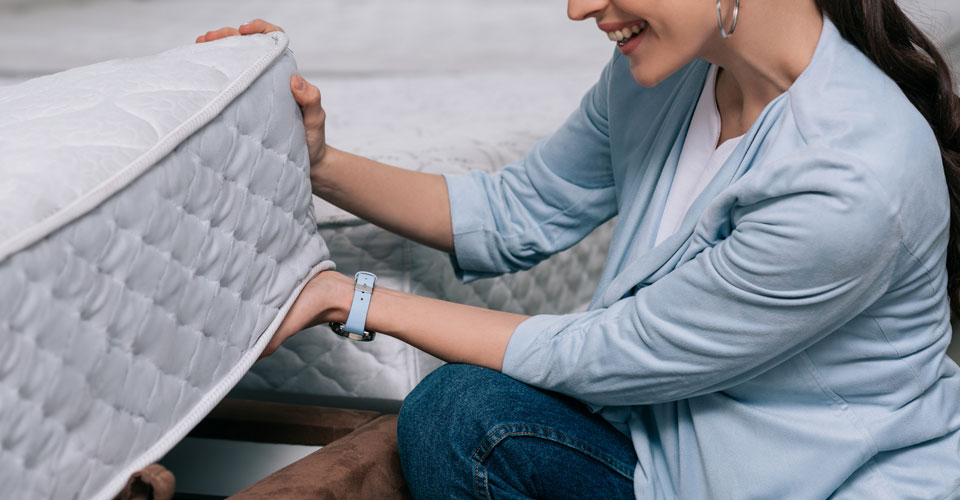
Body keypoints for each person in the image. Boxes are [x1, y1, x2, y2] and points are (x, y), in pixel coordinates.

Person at [199, 0, 960, 497]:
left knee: (459, 410)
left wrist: (353, 297)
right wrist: (318, 162)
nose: (579, 7)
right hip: (669, 452)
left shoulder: (850, 177)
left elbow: (615, 350)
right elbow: (514, 211)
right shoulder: (668, 78)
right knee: (458, 411)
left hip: (812, 484)